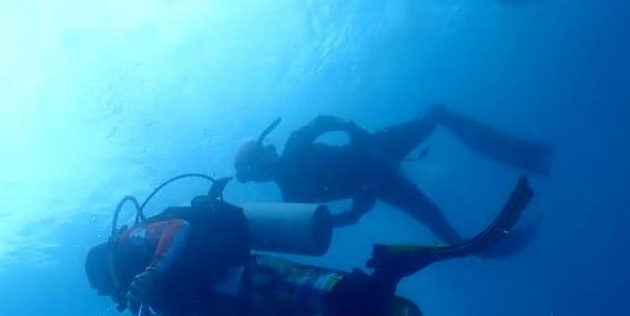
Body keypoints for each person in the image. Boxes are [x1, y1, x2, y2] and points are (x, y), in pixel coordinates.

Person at [84, 176, 533, 316]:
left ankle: (387, 273)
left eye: (107, 289)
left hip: (261, 281)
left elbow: (178, 228)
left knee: (359, 302)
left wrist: (151, 272)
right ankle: (390, 273)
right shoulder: (157, 297)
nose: (115, 297)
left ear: (105, 270)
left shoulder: (128, 244)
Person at [233, 106, 549, 247]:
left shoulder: (292, 198)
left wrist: (355, 212)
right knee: (436, 115)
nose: (269, 146)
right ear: (262, 157)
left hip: (375, 176)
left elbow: (327, 221)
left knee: (437, 223)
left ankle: (483, 244)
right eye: (263, 149)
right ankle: (522, 155)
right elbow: (325, 121)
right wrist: (355, 131)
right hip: (376, 156)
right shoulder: (294, 148)